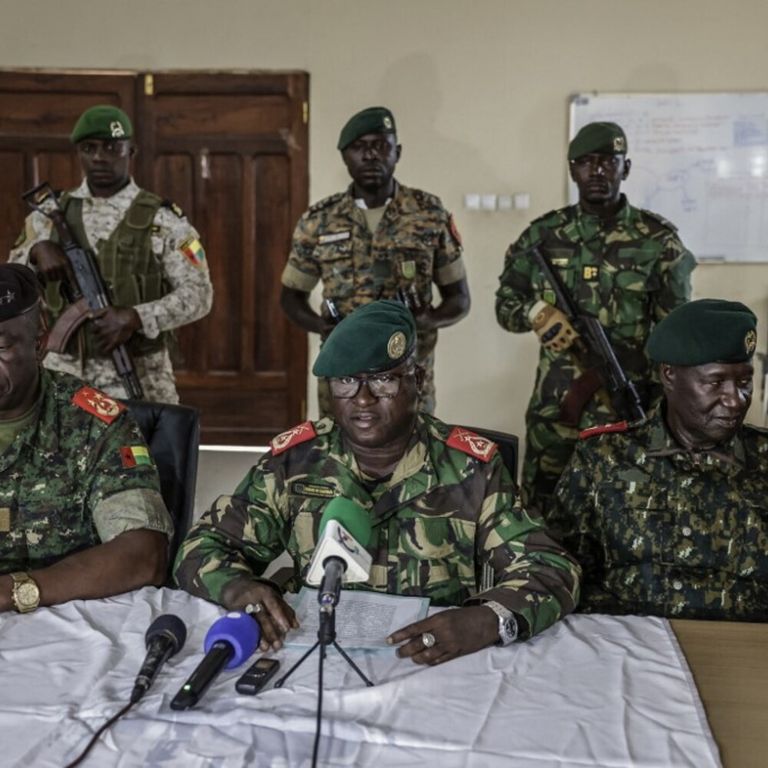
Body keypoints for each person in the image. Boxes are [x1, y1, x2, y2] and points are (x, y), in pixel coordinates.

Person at [175, 300, 580, 666]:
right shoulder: (295, 461)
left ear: (417, 380)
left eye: (383, 380)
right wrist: (236, 588)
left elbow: (552, 568)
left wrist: (485, 620)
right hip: (314, 658)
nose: (363, 399)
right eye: (345, 382)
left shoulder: (471, 468)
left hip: (433, 661)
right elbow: (201, 547)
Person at [495, 121, 695, 517]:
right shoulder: (543, 236)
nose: (598, 171)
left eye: (608, 161)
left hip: (630, 408)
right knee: (542, 517)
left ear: (627, 167)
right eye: (586, 163)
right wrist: (535, 312)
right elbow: (505, 303)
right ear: (573, 171)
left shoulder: (658, 242)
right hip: (556, 411)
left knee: (629, 516)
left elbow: (677, 337)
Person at [550, 299, 766, 620]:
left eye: (744, 381)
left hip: (743, 648)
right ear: (669, 375)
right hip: (626, 646)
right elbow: (561, 568)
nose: (735, 400)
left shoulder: (762, 459)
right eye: (716, 382)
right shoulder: (603, 458)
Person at [9, 104, 213, 404]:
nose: (99, 157)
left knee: (141, 451)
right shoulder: (48, 215)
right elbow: (11, 288)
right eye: (89, 148)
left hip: (140, 376)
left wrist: (136, 317)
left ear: (131, 152)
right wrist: (36, 253)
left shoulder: (163, 220)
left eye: (111, 147)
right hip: (62, 378)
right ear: (78, 153)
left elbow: (200, 295)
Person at [0, 263, 173, 614]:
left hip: (72, 633)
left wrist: (16, 591)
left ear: (39, 342)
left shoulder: (95, 423)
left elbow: (143, 553)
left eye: (0, 347)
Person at [280, 106, 470, 416]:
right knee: (340, 458)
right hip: (343, 374)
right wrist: (321, 325)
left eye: (381, 145)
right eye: (359, 147)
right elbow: (290, 296)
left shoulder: (429, 213)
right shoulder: (319, 220)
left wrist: (427, 320)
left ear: (398, 151)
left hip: (408, 372)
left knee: (416, 456)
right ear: (344, 156)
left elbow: (459, 297)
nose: (370, 156)